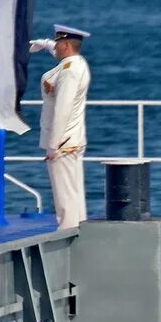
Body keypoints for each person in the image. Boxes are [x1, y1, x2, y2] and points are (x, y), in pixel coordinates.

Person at [31, 25, 92, 229]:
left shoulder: (69, 72)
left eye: (57, 44)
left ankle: (67, 233)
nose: (54, 47)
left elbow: (62, 109)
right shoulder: (75, 63)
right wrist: (46, 44)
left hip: (63, 142)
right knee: (73, 193)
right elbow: (62, 52)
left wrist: (54, 145)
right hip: (70, 140)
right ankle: (79, 231)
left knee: (65, 197)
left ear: (66, 45)